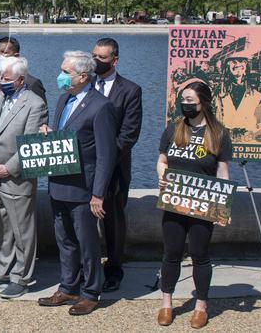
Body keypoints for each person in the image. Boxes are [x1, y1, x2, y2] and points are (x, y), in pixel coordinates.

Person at [37, 51, 116, 316]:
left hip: (84, 187)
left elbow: (106, 154)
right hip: (59, 181)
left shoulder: (101, 105)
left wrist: (98, 194)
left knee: (87, 242)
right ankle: (68, 286)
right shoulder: (63, 99)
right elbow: (64, 136)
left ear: (83, 76)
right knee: (65, 240)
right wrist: (49, 134)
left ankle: (91, 291)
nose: (60, 76)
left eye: (65, 72)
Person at [156, 81, 231, 329]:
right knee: (171, 253)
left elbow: (222, 171)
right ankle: (166, 303)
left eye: (191, 101)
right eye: (183, 100)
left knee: (200, 255)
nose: (185, 105)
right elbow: (162, 159)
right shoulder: (173, 129)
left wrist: (224, 208)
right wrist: (162, 174)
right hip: (174, 201)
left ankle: (201, 306)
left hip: (203, 203)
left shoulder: (219, 133)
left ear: (204, 103)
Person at [0, 56, 48, 298]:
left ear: (20, 80)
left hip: (16, 177)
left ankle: (21, 276)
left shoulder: (35, 104)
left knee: (21, 228)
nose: (1, 82)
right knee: (0, 227)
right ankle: (3, 270)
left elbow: (31, 142)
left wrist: (8, 167)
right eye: (0, 78)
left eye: (6, 79)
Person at [91, 37, 143, 292]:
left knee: (112, 221)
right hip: (85, 165)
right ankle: (87, 267)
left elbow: (129, 134)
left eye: (101, 58)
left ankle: (114, 268)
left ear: (115, 60)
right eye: (94, 56)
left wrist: (105, 158)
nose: (96, 61)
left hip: (115, 168)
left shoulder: (130, 90)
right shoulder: (85, 83)